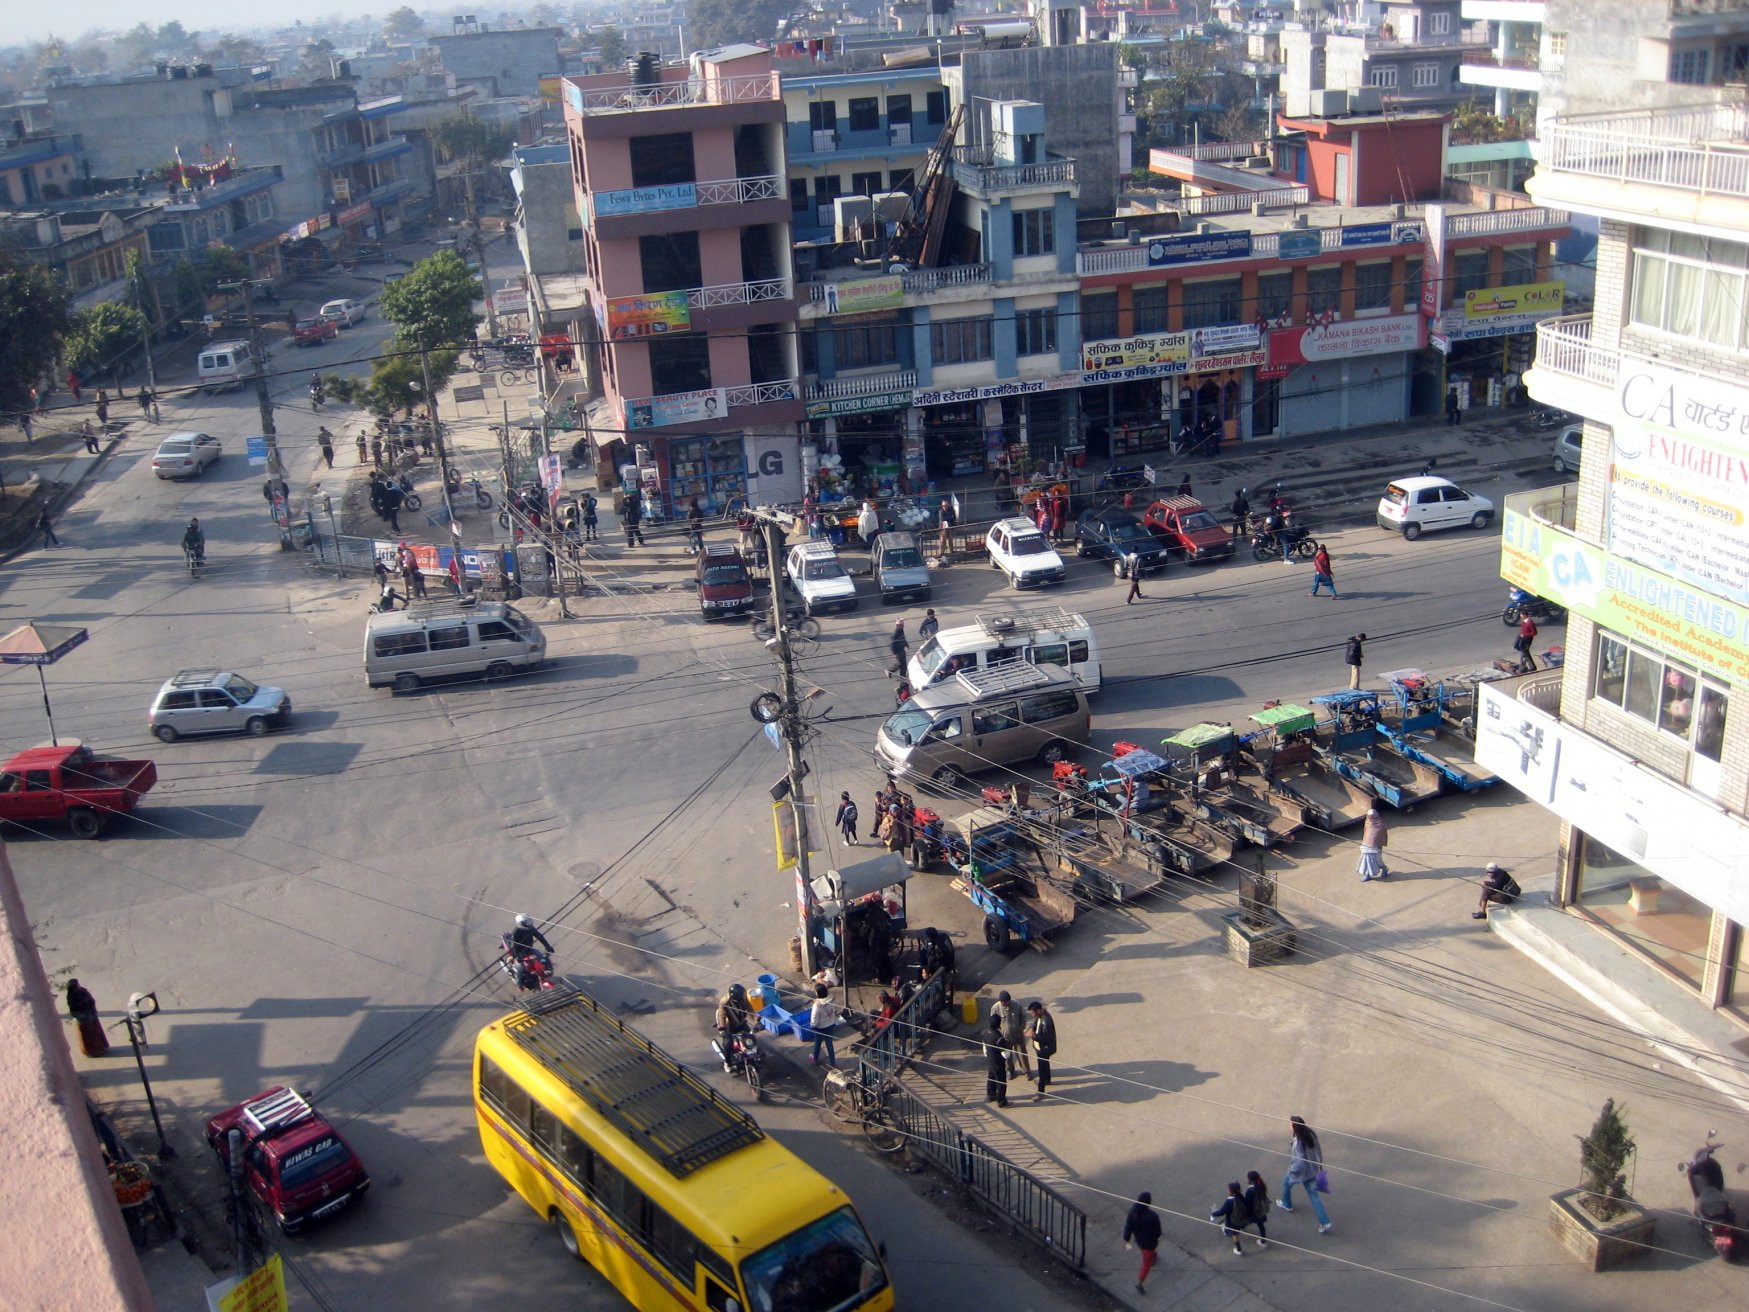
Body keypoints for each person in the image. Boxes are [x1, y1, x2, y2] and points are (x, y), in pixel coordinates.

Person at [1278, 1114, 1332, 1232]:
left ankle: (1287, 1204)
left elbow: (1299, 1161)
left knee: (1286, 1183)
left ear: (1295, 1127)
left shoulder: (1298, 1143)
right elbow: (1318, 1150)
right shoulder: (1310, 1134)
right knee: (1314, 1196)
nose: (1288, 1125)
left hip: (1302, 1172)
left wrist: (1291, 1170)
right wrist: (1319, 1163)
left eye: (1290, 1124)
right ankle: (1325, 1222)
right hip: (1313, 1169)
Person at [1124, 1191, 1162, 1293]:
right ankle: (1140, 1283)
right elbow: (1158, 1232)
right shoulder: (1153, 1216)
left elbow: (1128, 1226)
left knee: (1146, 1254)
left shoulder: (1132, 1212)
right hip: (1150, 1243)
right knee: (1146, 1264)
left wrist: (1126, 1239)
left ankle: (1153, 1256)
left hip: (1139, 1240)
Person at [65, 978, 110, 1058]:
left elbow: (91, 1000)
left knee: (96, 1032)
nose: (77, 986)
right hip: (83, 1019)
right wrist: (82, 1008)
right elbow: (73, 1009)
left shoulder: (83, 991)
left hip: (91, 1014)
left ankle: (100, 1048)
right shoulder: (71, 997)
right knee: (88, 1036)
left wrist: (90, 1006)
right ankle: (91, 1051)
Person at [508, 913, 555, 988]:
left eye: (529, 921)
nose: (529, 923)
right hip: (520, 952)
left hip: (529, 949)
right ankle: (519, 984)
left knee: (543, 957)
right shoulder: (516, 932)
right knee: (521, 967)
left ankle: (545, 971)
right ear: (521, 923)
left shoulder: (531, 928)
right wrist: (518, 957)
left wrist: (548, 946)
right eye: (527, 922)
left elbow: (539, 936)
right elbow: (514, 946)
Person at [991, 990, 1029, 1078]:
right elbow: (993, 1022)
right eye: (1003, 1002)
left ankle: (1026, 1070)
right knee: (1007, 1055)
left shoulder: (1017, 1005)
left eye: (1007, 1002)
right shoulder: (995, 1008)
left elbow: (1023, 1017)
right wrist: (998, 1034)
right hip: (1005, 1037)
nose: (1005, 1004)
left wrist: (1021, 1028)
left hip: (1018, 1035)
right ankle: (1010, 1071)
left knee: (1022, 1054)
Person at [1210, 1181, 1256, 1255]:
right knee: (1235, 1229)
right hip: (1241, 1218)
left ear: (1231, 1191)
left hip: (1233, 1221)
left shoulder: (1229, 1201)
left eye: (1228, 1190)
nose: (1227, 1191)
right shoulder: (1240, 1196)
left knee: (1234, 1234)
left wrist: (1213, 1214)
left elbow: (1222, 1211)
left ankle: (1239, 1249)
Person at [1025, 1000, 1057, 1101]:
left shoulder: (1046, 1022)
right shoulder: (1040, 1016)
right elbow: (1035, 1023)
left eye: (1033, 1013)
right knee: (1045, 1064)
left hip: (1044, 1049)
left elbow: (1045, 1039)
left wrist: (1033, 1035)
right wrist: (1032, 1029)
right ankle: (1047, 1080)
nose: (1032, 1015)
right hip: (1042, 1048)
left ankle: (1040, 1091)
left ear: (1038, 1010)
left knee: (1042, 1070)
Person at [807, 984, 839, 1067]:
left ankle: (815, 1058)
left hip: (820, 1028)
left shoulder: (816, 1006)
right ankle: (833, 1063)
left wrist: (812, 1026)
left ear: (818, 993)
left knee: (817, 1043)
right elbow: (834, 1011)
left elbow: (814, 1019)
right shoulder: (832, 1000)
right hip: (831, 1025)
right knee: (829, 1044)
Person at [1357, 803, 1389, 882]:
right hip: (1366, 845)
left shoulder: (1381, 825)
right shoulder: (1367, 822)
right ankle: (1367, 874)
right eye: (1368, 816)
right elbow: (1365, 832)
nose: (1369, 818)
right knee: (1367, 860)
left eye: (1370, 816)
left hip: (1376, 847)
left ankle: (1384, 868)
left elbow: (1383, 836)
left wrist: (1379, 845)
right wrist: (1366, 842)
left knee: (1378, 861)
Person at [983, 1019, 1011, 1108]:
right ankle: (1002, 1101)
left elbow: (984, 1047)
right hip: (998, 1062)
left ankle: (991, 1095)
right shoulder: (999, 1037)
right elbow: (1006, 1054)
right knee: (1001, 1081)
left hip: (990, 1060)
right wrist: (1008, 1050)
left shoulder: (985, 1032)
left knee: (991, 1077)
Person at [1242, 1171, 1272, 1247]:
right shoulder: (1261, 1185)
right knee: (1260, 1225)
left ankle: (1239, 1227)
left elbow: (1248, 1203)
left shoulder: (1250, 1190)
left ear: (1250, 1180)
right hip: (1260, 1209)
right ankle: (1263, 1241)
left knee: (1247, 1220)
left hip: (1254, 1211)